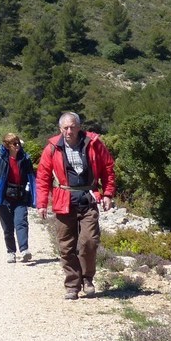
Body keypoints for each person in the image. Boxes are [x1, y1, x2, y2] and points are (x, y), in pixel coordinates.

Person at [36, 112, 116, 301]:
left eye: (72, 127)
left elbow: (108, 168)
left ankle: (87, 279)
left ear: (79, 127)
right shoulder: (52, 148)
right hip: (64, 200)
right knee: (66, 246)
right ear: (60, 129)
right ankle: (72, 284)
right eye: (65, 128)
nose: (69, 131)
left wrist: (108, 194)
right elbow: (43, 176)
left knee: (89, 241)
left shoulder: (94, 144)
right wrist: (41, 204)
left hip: (88, 198)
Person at [0, 133, 36, 264]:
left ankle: (24, 250)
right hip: (4, 198)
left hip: (20, 197)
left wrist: (32, 194)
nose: (18, 146)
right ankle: (11, 252)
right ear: (7, 146)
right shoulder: (1, 159)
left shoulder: (25, 159)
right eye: (14, 144)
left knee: (21, 222)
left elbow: (32, 177)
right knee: (8, 228)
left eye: (18, 143)